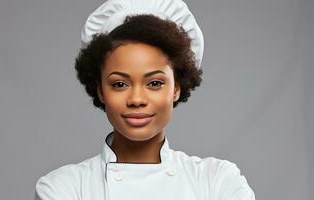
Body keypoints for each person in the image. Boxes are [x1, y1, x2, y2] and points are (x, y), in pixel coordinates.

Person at [35, 0, 256, 199]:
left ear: (176, 88)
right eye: (119, 84)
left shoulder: (217, 181)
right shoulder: (63, 188)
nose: (137, 99)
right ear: (101, 90)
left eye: (154, 83)